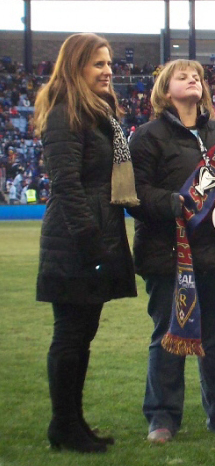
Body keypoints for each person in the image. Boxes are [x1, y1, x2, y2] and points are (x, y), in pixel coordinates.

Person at [128, 59, 215, 442]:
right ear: (164, 89)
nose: (192, 80)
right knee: (168, 337)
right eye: (182, 76)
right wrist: (173, 203)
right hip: (168, 253)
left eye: (197, 77)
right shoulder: (147, 137)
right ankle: (162, 418)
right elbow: (134, 194)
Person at [33, 33, 139, 453]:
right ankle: (63, 425)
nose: (108, 70)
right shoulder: (66, 113)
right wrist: (91, 243)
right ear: (75, 66)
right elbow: (66, 185)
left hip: (96, 233)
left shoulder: (98, 113)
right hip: (76, 240)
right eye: (98, 63)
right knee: (71, 334)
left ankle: (72, 422)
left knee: (82, 333)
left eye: (109, 63)